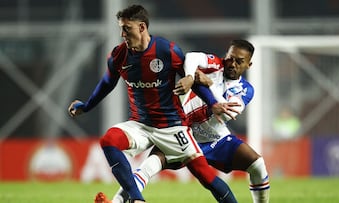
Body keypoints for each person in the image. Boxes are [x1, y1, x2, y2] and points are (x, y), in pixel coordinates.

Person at [68, 4, 239, 203]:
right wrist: (86, 106)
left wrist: (212, 103)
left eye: (126, 28)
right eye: (121, 28)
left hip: (172, 127)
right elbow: (107, 83)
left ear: (142, 27)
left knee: (206, 177)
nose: (122, 34)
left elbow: (194, 81)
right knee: (109, 141)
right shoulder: (118, 55)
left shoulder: (168, 50)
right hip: (140, 124)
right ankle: (137, 199)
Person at [111, 40, 271, 203]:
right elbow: (192, 57)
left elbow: (226, 114)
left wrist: (209, 85)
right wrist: (189, 76)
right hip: (182, 134)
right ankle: (116, 201)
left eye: (239, 61)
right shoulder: (215, 65)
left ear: (248, 65)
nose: (232, 64)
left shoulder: (245, 89)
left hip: (216, 139)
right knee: (149, 166)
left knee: (257, 163)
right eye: (230, 58)